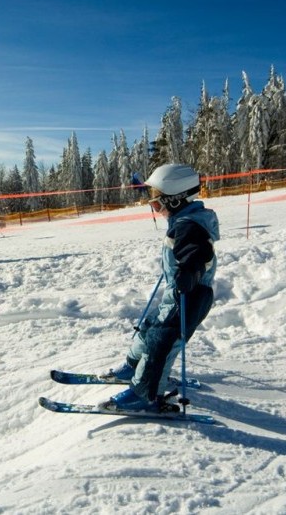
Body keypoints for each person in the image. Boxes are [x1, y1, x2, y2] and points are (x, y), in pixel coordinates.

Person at [101, 164, 220, 412]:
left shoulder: (190, 226)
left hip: (191, 296)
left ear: (175, 201)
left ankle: (146, 393)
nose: (156, 210)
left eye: (157, 204)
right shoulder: (184, 221)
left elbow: (197, 252)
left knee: (162, 342)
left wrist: (190, 271)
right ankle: (134, 367)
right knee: (149, 329)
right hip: (176, 295)